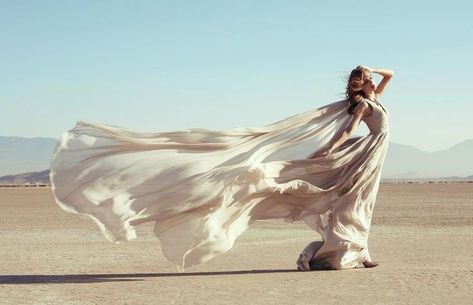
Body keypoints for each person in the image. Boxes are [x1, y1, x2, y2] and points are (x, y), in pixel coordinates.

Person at [49, 65, 393, 272]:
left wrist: (370, 68)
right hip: (364, 152)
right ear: (356, 85)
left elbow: (390, 73)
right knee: (354, 203)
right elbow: (346, 131)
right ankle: (348, 254)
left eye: (368, 80)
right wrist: (329, 149)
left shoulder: (375, 96)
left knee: (359, 204)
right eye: (363, 80)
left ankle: (356, 252)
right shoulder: (362, 104)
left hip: (373, 153)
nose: (368, 82)